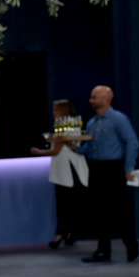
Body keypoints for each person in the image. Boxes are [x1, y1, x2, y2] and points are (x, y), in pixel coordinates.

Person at [77, 86, 139, 263]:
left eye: (94, 97)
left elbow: (132, 142)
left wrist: (129, 168)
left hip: (113, 169)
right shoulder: (91, 123)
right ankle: (103, 250)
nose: (90, 100)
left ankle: (131, 245)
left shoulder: (118, 119)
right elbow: (87, 148)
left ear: (105, 99)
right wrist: (72, 147)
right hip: (96, 168)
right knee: (99, 211)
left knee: (120, 210)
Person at [30, 99, 89, 248]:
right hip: (70, 171)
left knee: (65, 205)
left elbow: (55, 150)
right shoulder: (72, 125)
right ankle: (69, 233)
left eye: (55, 110)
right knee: (70, 205)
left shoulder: (63, 127)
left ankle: (61, 233)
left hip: (67, 172)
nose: (53, 113)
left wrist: (38, 152)